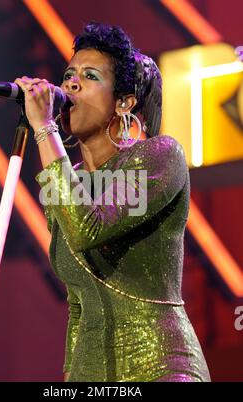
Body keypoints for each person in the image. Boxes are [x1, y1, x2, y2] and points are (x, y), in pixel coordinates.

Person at [15, 22, 211, 382]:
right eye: (68, 74)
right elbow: (77, 302)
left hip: (161, 366)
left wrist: (45, 128)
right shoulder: (67, 180)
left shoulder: (161, 156)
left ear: (124, 103)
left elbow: (87, 227)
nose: (70, 84)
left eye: (89, 76)